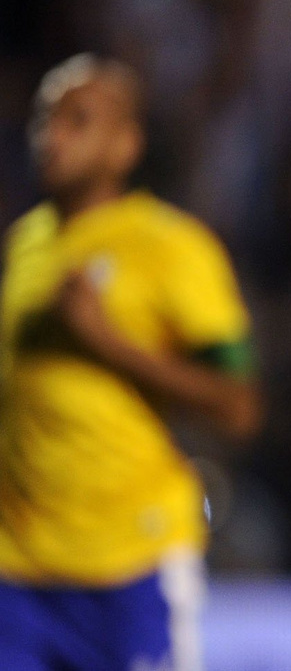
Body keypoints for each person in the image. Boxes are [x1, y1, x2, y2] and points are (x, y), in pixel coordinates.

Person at [0, 53, 263, 670]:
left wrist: (108, 344)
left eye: (78, 120)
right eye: (43, 118)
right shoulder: (25, 241)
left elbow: (239, 405)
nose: (51, 136)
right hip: (18, 569)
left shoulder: (172, 245)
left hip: (129, 563)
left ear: (126, 144)